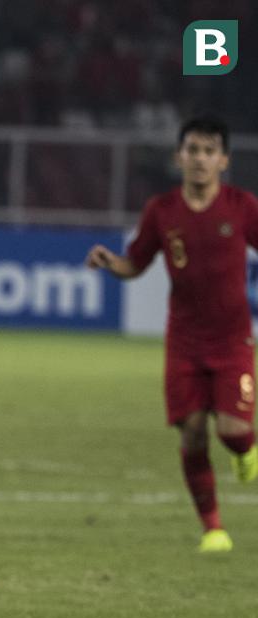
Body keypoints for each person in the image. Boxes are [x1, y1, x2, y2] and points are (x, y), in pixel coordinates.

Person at [87, 116, 258, 553]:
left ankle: (244, 451)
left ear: (223, 160)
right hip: (184, 342)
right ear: (178, 156)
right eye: (192, 150)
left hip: (233, 339)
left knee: (234, 431)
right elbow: (136, 263)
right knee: (194, 433)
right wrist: (111, 262)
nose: (200, 159)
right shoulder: (161, 212)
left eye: (208, 151)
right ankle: (213, 528)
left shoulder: (242, 206)